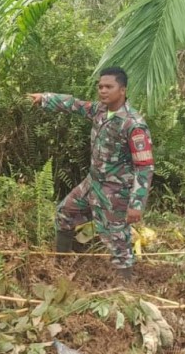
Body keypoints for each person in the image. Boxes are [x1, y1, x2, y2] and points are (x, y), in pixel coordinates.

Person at [27, 67, 155, 281]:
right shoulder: (99, 111)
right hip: (92, 183)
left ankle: (125, 288)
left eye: (109, 87)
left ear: (122, 90)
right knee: (64, 212)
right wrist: (45, 99)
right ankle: (61, 264)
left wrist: (136, 203)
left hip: (115, 192)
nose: (103, 91)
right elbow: (74, 105)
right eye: (100, 86)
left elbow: (145, 166)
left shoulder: (133, 124)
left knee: (117, 241)